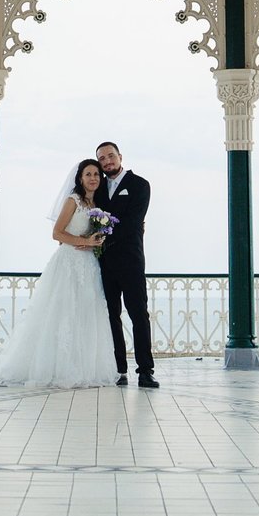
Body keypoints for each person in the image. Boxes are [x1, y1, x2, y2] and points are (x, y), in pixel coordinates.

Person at [0, 159, 118, 388]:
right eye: (88, 174)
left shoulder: (96, 205)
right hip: (69, 263)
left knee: (86, 313)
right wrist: (84, 241)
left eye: (96, 175)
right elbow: (57, 233)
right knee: (63, 313)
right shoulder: (74, 201)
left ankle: (83, 368)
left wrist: (96, 242)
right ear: (80, 178)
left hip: (88, 264)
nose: (93, 178)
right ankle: (54, 368)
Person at [95, 141, 156, 388]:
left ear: (120, 156)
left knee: (138, 314)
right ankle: (119, 369)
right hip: (103, 262)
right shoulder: (97, 188)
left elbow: (133, 222)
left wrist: (102, 238)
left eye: (111, 156)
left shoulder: (139, 185)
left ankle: (145, 370)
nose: (107, 161)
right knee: (111, 315)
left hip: (130, 261)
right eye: (102, 159)